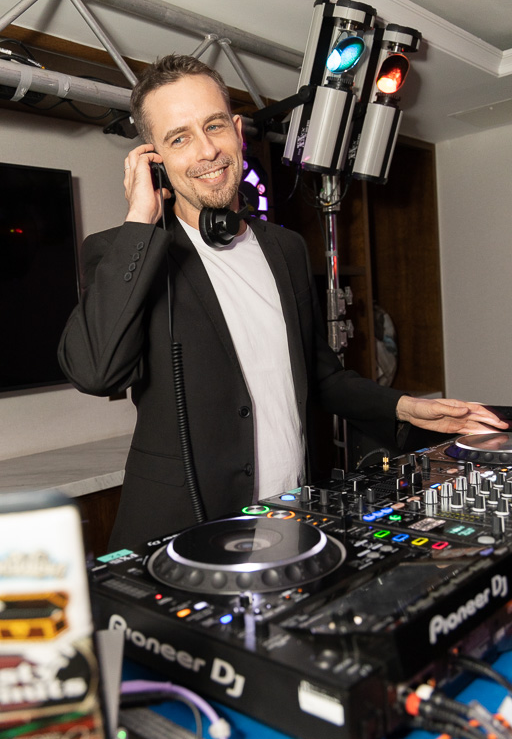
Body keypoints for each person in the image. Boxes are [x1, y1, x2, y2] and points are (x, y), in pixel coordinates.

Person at [58, 54, 507, 550]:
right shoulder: (124, 250)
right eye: (179, 138)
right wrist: (140, 219)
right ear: (153, 160)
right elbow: (96, 373)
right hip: (181, 532)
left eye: (214, 126)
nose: (207, 150)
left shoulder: (285, 248)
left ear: (237, 131)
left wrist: (406, 408)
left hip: (292, 517)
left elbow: (321, 374)